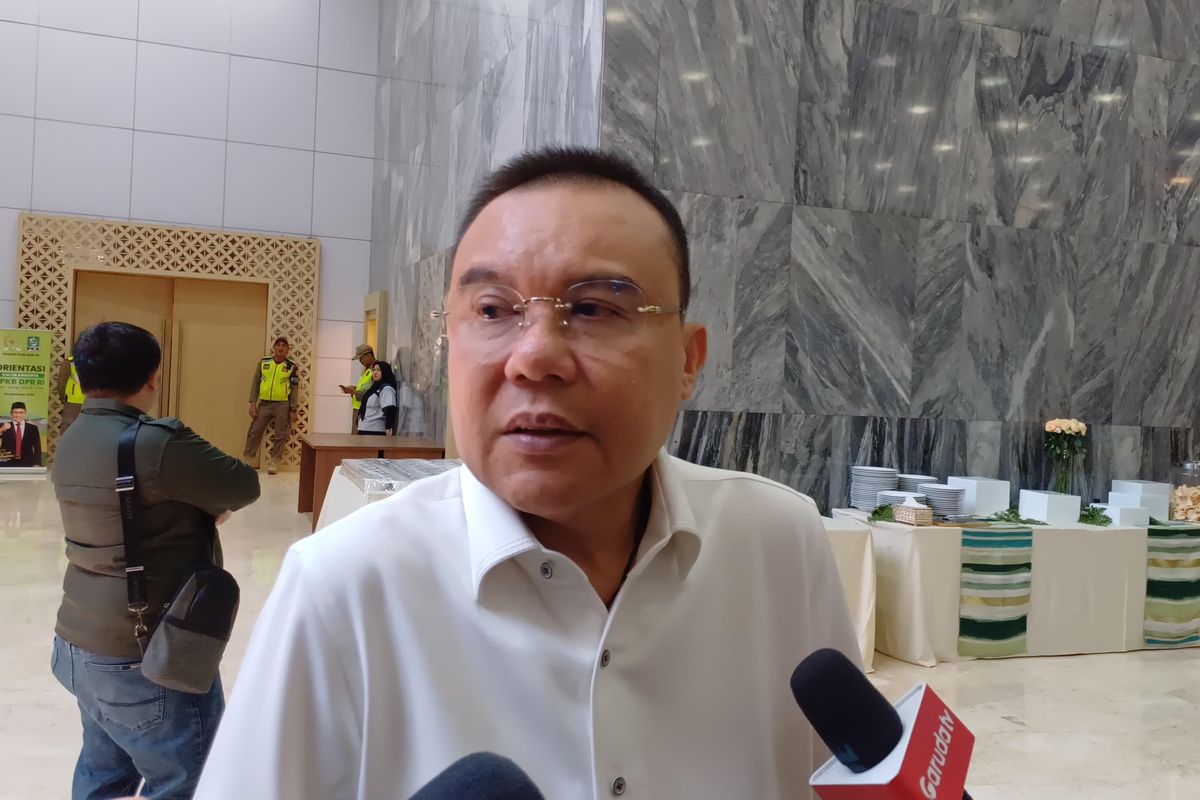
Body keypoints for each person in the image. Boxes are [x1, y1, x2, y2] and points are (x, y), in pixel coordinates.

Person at [196, 148, 858, 799]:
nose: (534, 357)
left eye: (594, 308)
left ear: (688, 361)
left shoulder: (778, 540)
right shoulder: (343, 585)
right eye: (492, 310)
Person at [51, 321, 260, 800]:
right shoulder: (155, 441)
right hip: (145, 653)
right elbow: (242, 484)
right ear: (152, 377)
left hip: (78, 643)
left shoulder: (71, 436)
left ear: (80, 376)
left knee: (102, 772)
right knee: (188, 781)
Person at [244, 336, 299, 475]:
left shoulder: (291, 366)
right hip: (264, 404)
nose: (280, 347)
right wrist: (252, 403)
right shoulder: (264, 362)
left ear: (287, 350)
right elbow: (256, 383)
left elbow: (294, 388)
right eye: (278, 345)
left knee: (281, 434)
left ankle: (274, 461)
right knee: (255, 431)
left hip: (282, 405)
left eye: (284, 345)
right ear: (274, 348)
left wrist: (293, 409)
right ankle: (248, 459)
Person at [338, 344, 375, 433]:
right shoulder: (367, 370)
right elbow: (364, 388)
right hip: (358, 409)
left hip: (366, 411)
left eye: (361, 358)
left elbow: (370, 393)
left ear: (368, 355)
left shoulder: (375, 370)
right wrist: (353, 389)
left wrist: (353, 391)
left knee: (358, 437)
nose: (360, 361)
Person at [355, 361, 398, 436]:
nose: (375, 372)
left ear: (384, 371)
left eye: (379, 370)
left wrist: (388, 427)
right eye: (374, 370)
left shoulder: (386, 389)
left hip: (375, 430)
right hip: (364, 428)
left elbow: (390, 409)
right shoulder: (373, 387)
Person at [0, 401, 42, 467]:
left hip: (27, 462)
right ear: (11, 413)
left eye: (21, 412)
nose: (18, 415)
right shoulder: (3, 425)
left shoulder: (33, 428)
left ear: (25, 413)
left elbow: (37, 448)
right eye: (15, 412)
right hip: (5, 463)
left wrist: (37, 463)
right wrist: (1, 429)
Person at [56, 354, 85, 433]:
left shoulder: (70, 362)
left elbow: (61, 384)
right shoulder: (102, 360)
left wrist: (63, 399)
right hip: (95, 401)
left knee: (69, 429)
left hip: (73, 402)